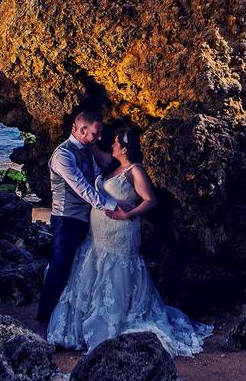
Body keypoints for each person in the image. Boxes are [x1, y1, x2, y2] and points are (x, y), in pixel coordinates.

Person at [46, 126, 214, 356]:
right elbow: (98, 155)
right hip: (99, 236)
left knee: (117, 276)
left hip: (121, 233)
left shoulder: (135, 170)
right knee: (94, 275)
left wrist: (127, 214)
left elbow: (150, 200)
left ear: (124, 148)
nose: (111, 145)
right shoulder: (115, 167)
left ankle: (112, 326)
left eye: (115, 142)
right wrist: (88, 139)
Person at [36, 108, 124, 323]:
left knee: (80, 269)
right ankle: (42, 320)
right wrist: (113, 206)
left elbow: (100, 176)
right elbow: (83, 188)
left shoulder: (88, 149)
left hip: (88, 220)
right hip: (66, 219)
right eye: (96, 133)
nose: (100, 137)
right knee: (59, 267)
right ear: (82, 129)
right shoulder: (62, 155)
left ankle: (71, 318)